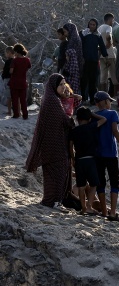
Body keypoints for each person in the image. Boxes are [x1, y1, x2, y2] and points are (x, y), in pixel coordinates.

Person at [25, 74, 75, 212]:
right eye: (60, 84)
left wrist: (71, 97)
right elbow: (64, 120)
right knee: (58, 172)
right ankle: (54, 202)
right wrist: (72, 122)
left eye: (65, 83)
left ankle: (50, 200)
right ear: (53, 86)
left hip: (52, 143)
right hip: (54, 144)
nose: (64, 86)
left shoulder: (51, 98)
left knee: (53, 173)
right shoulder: (53, 101)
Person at [94, 91, 119, 220]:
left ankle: (104, 211)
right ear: (104, 101)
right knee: (114, 182)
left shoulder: (94, 116)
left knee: (101, 183)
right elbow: (115, 131)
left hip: (98, 154)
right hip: (111, 153)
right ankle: (113, 212)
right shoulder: (112, 114)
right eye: (109, 101)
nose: (110, 103)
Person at [69, 106, 107, 216]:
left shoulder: (74, 131)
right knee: (94, 184)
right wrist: (93, 114)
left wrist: (72, 158)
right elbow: (104, 119)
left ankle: (83, 207)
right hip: (90, 160)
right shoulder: (92, 126)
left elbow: (70, 146)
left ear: (77, 119)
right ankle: (89, 206)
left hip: (79, 160)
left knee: (81, 185)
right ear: (89, 118)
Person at [80, 18, 108, 103]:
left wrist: (106, 57)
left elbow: (102, 47)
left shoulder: (97, 35)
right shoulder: (83, 33)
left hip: (94, 60)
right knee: (84, 80)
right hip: (84, 61)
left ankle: (93, 99)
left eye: (93, 25)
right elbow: (79, 46)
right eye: (90, 24)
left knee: (93, 80)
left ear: (96, 26)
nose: (91, 26)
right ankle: (83, 98)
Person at [9, 43, 30, 119]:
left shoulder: (14, 61)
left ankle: (16, 114)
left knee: (14, 99)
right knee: (23, 100)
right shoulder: (27, 60)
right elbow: (27, 68)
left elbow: (11, 71)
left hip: (14, 82)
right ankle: (25, 115)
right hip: (23, 82)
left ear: (17, 52)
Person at [98, 13, 117, 94]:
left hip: (102, 55)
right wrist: (108, 42)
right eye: (112, 20)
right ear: (109, 20)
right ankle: (116, 95)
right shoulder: (109, 27)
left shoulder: (99, 28)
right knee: (113, 75)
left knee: (103, 76)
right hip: (110, 54)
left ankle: (103, 94)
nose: (113, 22)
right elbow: (108, 35)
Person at [2, 45, 14, 115]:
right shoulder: (16, 61)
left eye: (6, 53)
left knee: (9, 97)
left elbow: (6, 71)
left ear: (9, 53)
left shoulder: (8, 61)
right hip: (15, 80)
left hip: (8, 80)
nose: (6, 54)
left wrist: (3, 76)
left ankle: (9, 111)